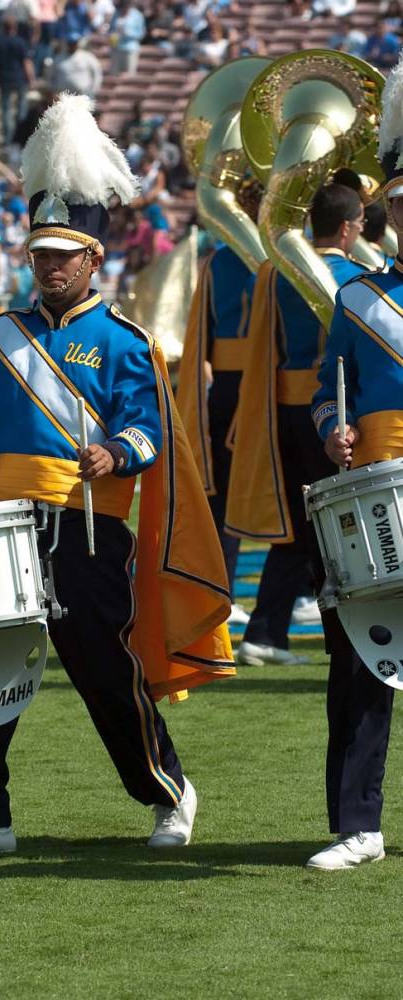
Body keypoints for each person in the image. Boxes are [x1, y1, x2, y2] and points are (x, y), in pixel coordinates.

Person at [0, 94, 233, 859]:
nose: (50, 266)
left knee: (102, 671)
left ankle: (167, 790)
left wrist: (118, 452)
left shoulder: (126, 340)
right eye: (40, 255)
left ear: (95, 259)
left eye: (64, 255)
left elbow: (149, 427)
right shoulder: (0, 336)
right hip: (2, 525)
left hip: (89, 526)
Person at [304, 58, 403, 870]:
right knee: (363, 659)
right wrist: (335, 429)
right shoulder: (359, 299)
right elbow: (324, 391)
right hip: (376, 500)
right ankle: (358, 826)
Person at [226, 183, 367, 665]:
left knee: (301, 529)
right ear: (348, 228)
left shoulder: (277, 275)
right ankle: (335, 637)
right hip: (337, 416)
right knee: (340, 530)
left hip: (282, 409)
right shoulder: (356, 279)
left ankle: (265, 631)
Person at [176, 181, 261, 626]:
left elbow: (201, 339)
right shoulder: (280, 262)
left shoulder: (216, 264)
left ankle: (220, 592)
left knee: (225, 496)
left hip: (228, 388)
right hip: (272, 386)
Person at [0, 15, 34, 146]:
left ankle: (7, 141)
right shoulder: (20, 42)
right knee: (21, 111)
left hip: (4, 79)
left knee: (6, 111)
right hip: (19, 79)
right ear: (14, 28)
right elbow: (26, 62)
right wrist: (31, 79)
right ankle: (20, 139)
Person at [49, 34, 103, 98]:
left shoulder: (87, 57)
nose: (72, 45)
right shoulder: (58, 58)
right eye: (70, 43)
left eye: (74, 43)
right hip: (63, 96)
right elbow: (50, 76)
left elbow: (97, 73)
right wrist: (53, 90)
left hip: (83, 94)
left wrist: (94, 90)